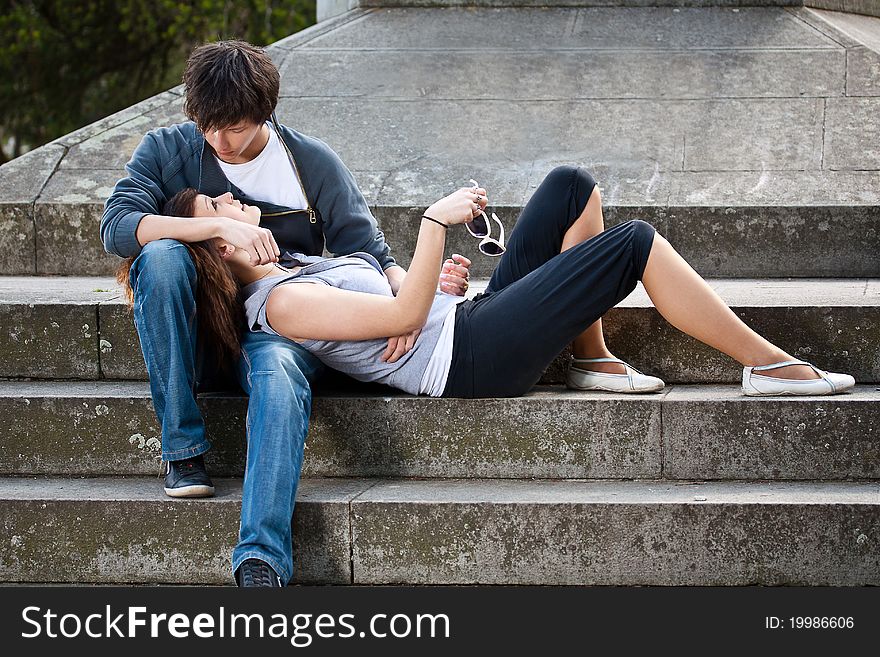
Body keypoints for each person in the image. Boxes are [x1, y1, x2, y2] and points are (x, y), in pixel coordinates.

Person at [101, 40, 470, 587]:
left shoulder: (309, 162)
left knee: (277, 373)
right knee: (159, 256)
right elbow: (117, 227)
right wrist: (216, 226)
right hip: (212, 333)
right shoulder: (167, 150)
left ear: (265, 113)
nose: (218, 142)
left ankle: (260, 562)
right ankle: (181, 446)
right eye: (207, 126)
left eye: (234, 128)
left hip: (292, 328)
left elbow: (370, 250)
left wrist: (410, 304)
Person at [124, 168, 854, 409]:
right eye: (217, 210)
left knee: (572, 186)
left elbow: (401, 306)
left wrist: (427, 289)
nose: (233, 202)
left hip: (463, 322)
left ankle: (591, 358)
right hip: (470, 363)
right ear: (216, 248)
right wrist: (434, 224)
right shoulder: (275, 303)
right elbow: (401, 315)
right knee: (630, 243)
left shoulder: (296, 268)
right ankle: (767, 365)